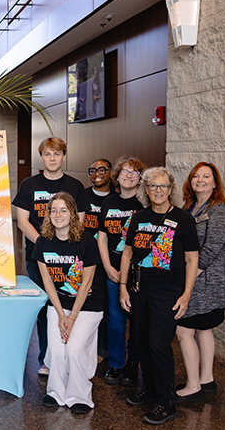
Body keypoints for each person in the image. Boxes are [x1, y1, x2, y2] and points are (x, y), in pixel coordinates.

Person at [119, 166, 199, 425]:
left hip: (168, 292)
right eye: (152, 186)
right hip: (139, 289)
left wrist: (186, 295)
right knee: (141, 343)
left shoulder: (184, 220)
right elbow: (128, 253)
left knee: (158, 344)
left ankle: (166, 403)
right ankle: (151, 389)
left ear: (171, 189)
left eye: (162, 186)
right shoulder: (139, 217)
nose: (157, 190)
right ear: (146, 189)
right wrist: (123, 286)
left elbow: (191, 259)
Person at [12, 137, 88, 376]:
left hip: (70, 260)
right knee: (45, 308)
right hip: (39, 257)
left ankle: (70, 354)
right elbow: (22, 221)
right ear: (41, 157)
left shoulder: (75, 186)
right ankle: (46, 358)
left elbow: (81, 221)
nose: (52, 159)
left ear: (64, 157)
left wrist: (63, 247)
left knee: (68, 303)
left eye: (57, 154)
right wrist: (45, 246)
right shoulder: (29, 184)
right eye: (47, 154)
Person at [32, 192, 103, 414]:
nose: (58, 214)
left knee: (73, 349)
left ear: (72, 213)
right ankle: (55, 392)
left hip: (88, 305)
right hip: (58, 304)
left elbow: (87, 282)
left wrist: (72, 317)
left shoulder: (87, 241)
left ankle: (80, 395)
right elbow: (47, 281)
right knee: (56, 349)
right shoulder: (43, 242)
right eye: (53, 211)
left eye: (63, 210)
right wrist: (61, 314)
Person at [174, 162, 225, 402]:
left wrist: (189, 275)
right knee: (203, 328)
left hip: (208, 281)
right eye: (196, 176)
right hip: (195, 278)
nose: (200, 180)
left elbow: (211, 248)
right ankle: (206, 379)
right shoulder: (189, 206)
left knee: (183, 331)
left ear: (215, 182)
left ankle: (193, 386)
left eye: (206, 176)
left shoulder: (219, 209)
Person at [97, 157, 145, 386]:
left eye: (134, 172)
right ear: (116, 176)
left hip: (139, 273)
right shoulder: (109, 202)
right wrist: (107, 267)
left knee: (137, 322)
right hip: (114, 272)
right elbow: (102, 236)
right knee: (116, 320)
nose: (128, 175)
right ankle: (115, 365)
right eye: (124, 172)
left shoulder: (145, 203)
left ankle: (133, 363)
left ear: (140, 178)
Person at [83, 158, 112, 362]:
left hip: (109, 261)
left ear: (111, 172)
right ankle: (85, 346)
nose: (97, 173)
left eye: (102, 169)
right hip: (85, 259)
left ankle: (102, 347)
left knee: (106, 306)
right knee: (86, 303)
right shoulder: (82, 196)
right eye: (93, 169)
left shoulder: (118, 198)